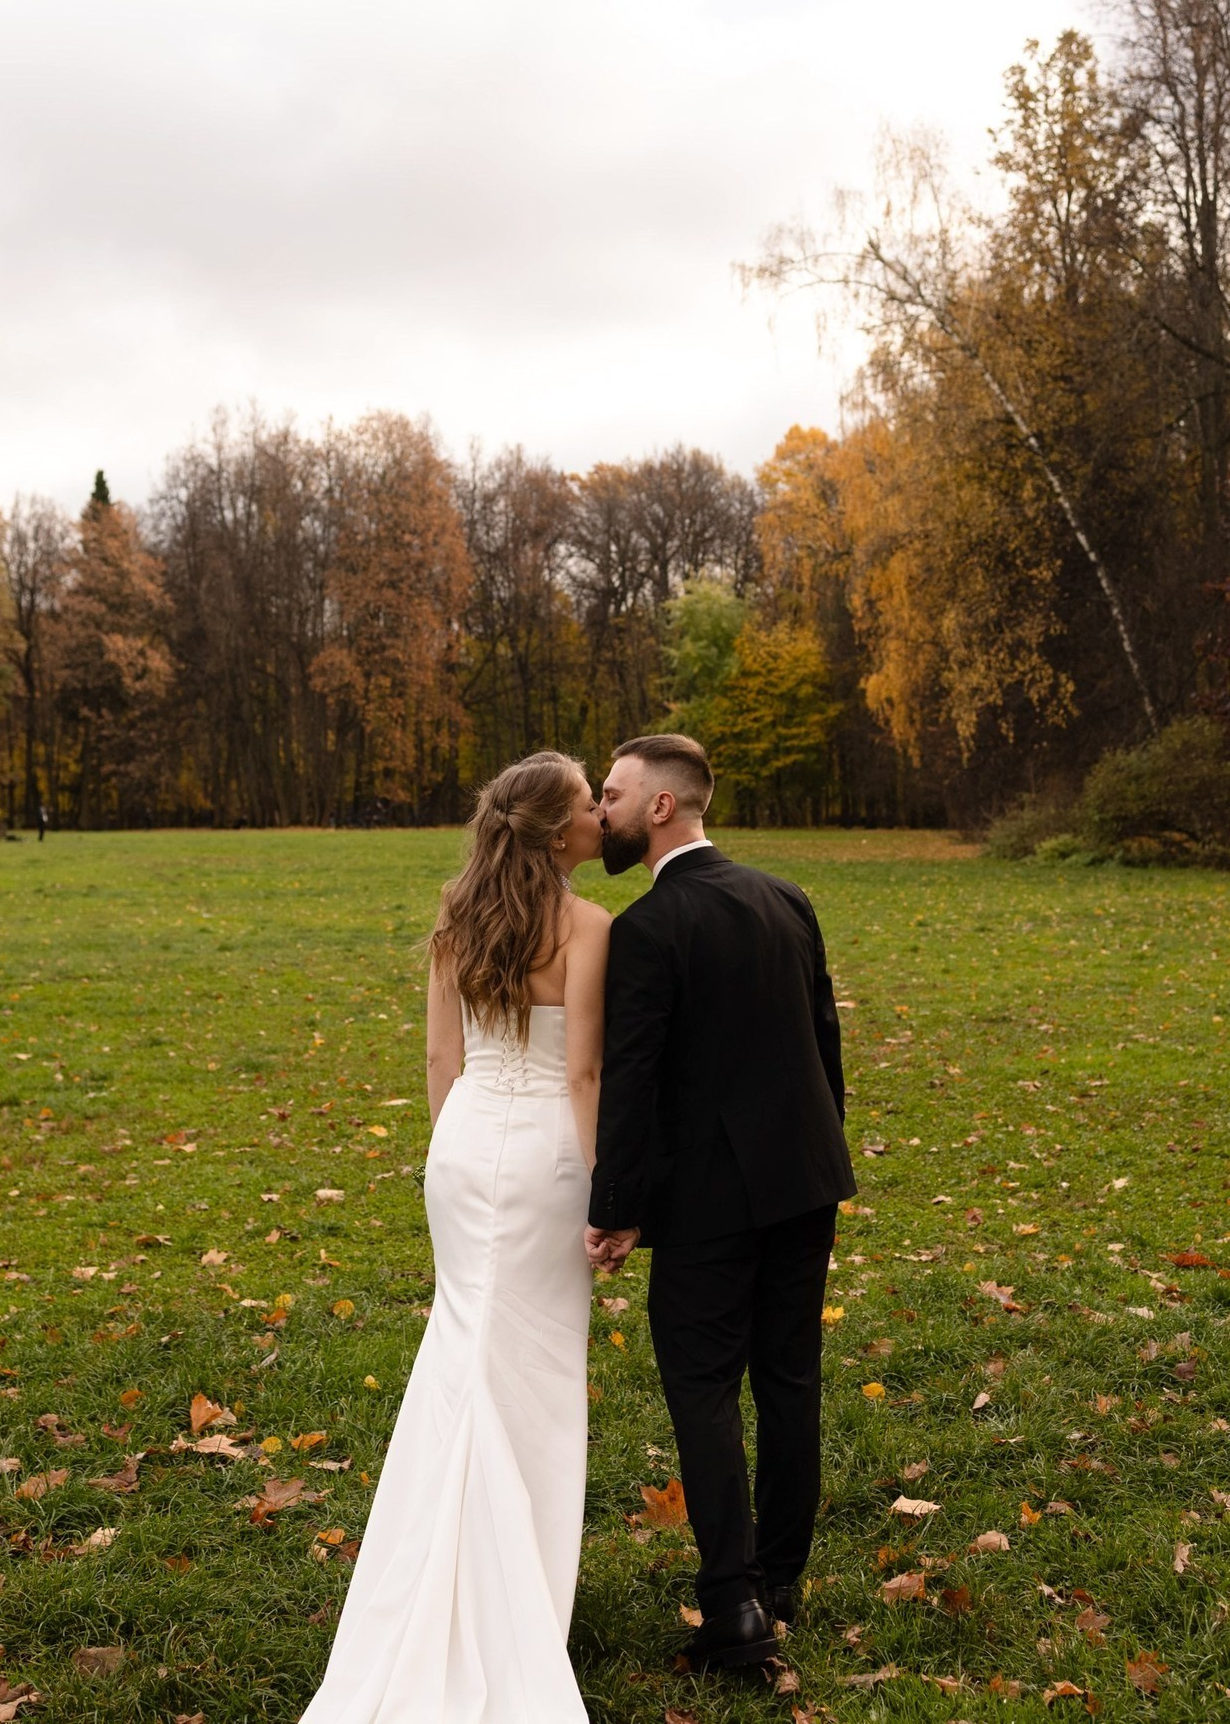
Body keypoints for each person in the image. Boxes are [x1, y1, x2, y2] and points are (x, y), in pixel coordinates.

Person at [299, 753, 609, 1724]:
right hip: (548, 1156)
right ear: (559, 835)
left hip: (463, 1145)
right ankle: (514, 1589)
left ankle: (444, 1549)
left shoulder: (454, 918)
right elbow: (586, 1075)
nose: (602, 817)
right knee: (534, 1365)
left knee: (462, 1349)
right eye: (588, 806)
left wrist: (452, 1150)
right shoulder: (591, 928)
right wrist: (601, 1191)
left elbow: (441, 1058)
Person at [587, 733, 856, 1670]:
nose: (601, 811)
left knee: (702, 1391)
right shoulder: (788, 899)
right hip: (806, 1181)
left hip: (709, 1199)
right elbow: (825, 1048)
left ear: (663, 807)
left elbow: (632, 1079)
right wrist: (822, 1158)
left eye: (613, 795)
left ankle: (734, 1608)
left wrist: (616, 1205)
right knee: (789, 1381)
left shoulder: (649, 928)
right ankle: (780, 1580)